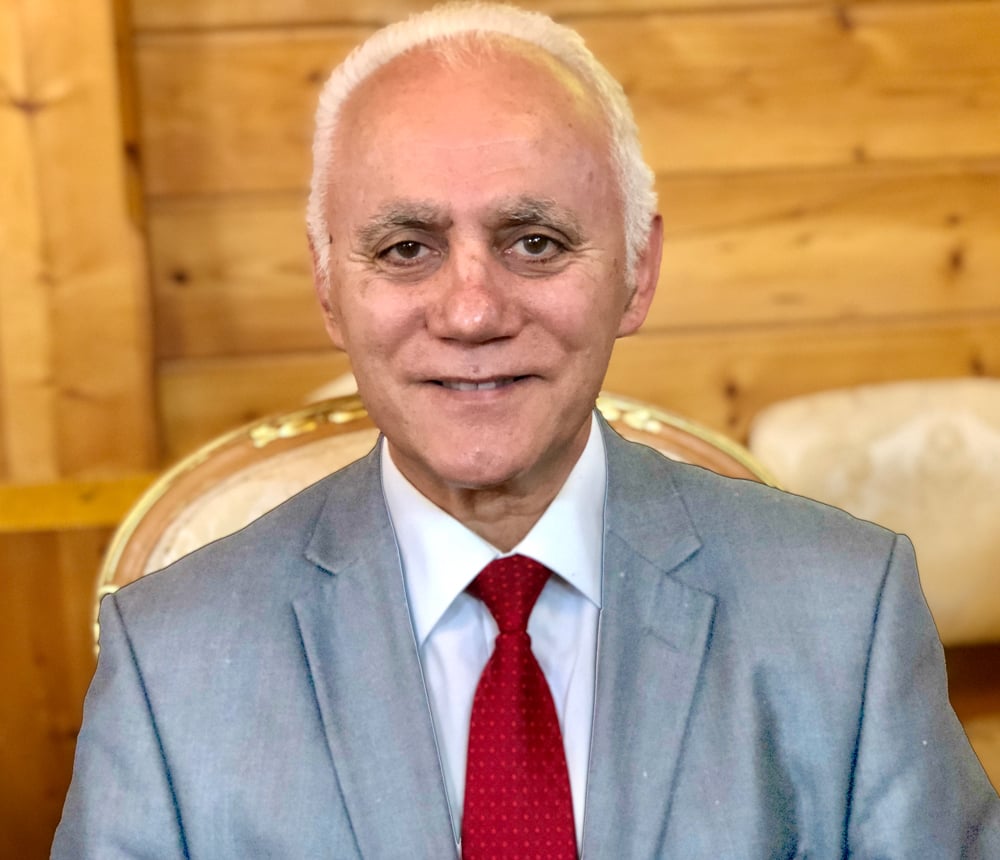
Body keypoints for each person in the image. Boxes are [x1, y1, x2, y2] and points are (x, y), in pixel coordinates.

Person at [54, 3, 999, 857]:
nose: (472, 312)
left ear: (637, 270)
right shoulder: (171, 659)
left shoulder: (847, 611)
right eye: (406, 248)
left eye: (534, 242)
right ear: (328, 286)